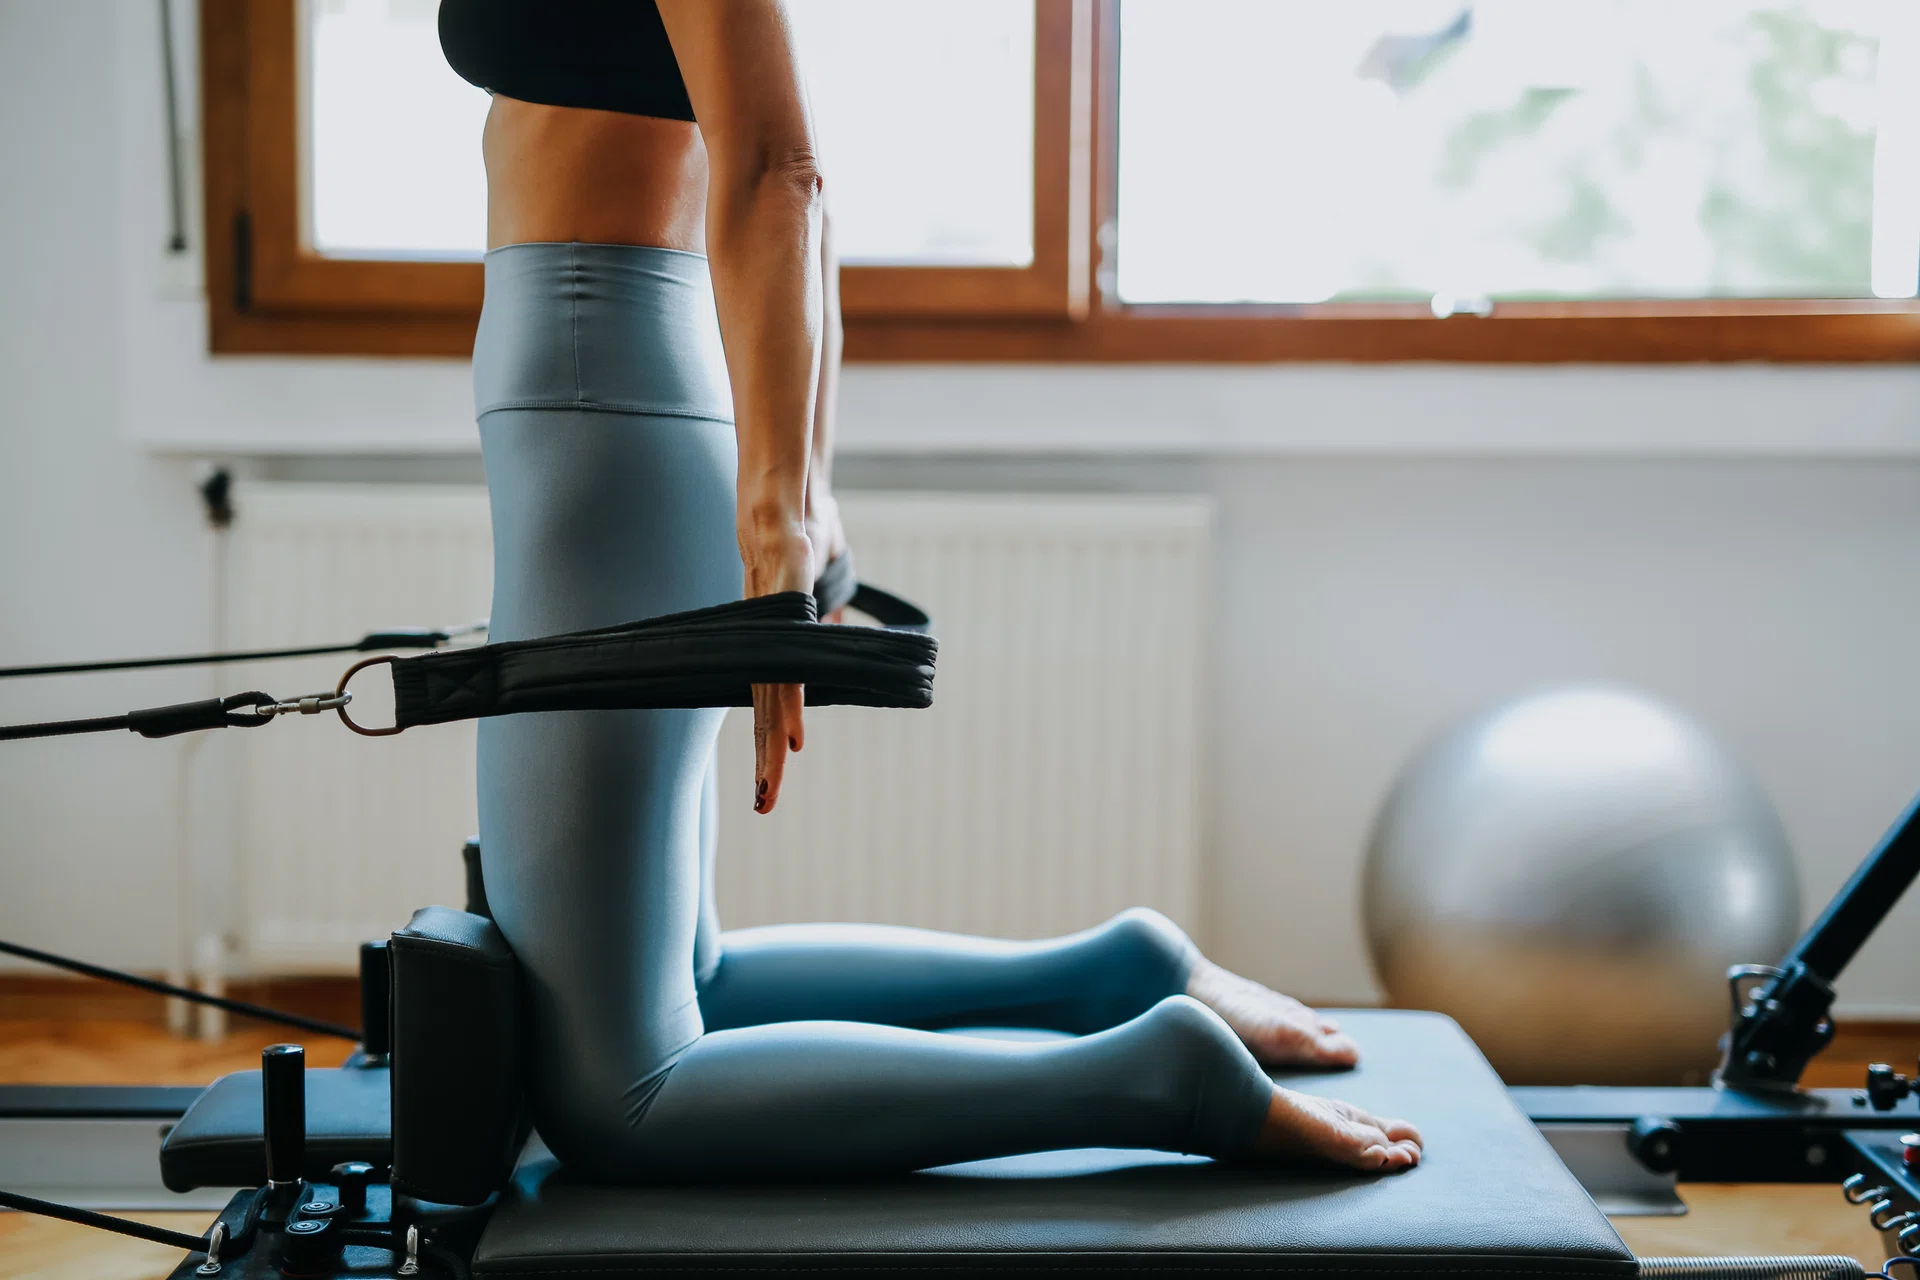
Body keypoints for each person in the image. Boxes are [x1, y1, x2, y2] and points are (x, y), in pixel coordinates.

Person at [440, 0, 1422, 1181]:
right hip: (612, 400)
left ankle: (1162, 1075)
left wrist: (785, 521)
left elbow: (780, 173)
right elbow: (792, 184)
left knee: (614, 1092)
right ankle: (1116, 974)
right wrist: (802, 480)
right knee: (686, 983)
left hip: (604, 413)